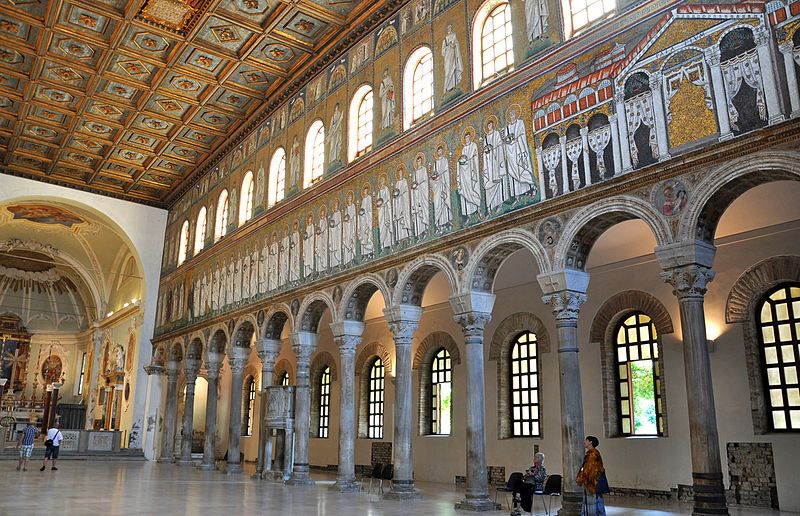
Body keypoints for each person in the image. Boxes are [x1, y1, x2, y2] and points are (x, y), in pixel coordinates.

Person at [576, 435, 606, 515]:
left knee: (595, 502)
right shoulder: (591, 453)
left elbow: (589, 469)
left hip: (593, 482)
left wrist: (581, 477)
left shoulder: (593, 454)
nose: (584, 442)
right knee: (594, 501)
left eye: (586, 440)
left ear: (590, 442)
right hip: (591, 481)